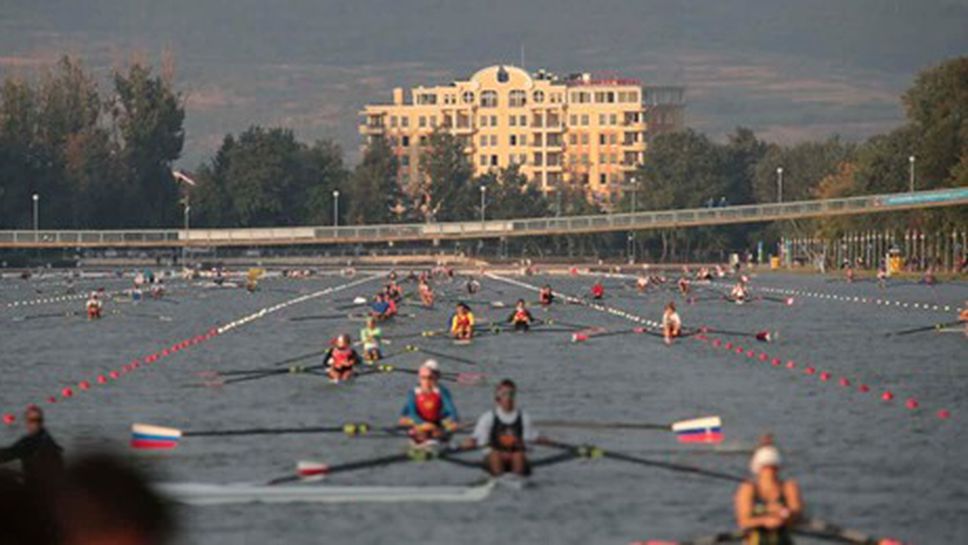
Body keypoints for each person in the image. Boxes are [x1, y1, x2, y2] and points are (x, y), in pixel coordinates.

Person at [463, 379, 549, 477]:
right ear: (498, 398)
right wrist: (469, 442)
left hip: (516, 456)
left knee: (518, 455)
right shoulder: (488, 417)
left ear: (515, 397)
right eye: (504, 394)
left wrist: (543, 440)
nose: (508, 398)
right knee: (495, 454)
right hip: (495, 456)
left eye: (511, 394)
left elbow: (531, 442)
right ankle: (499, 480)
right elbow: (475, 438)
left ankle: (518, 480)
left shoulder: (524, 417)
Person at [734, 436, 803, 545]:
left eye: (772, 468)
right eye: (766, 468)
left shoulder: (789, 487)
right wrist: (765, 520)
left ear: (778, 468)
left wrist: (785, 514)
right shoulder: (748, 489)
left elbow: (797, 514)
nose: (769, 472)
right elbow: (743, 521)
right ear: (758, 469)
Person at [398, 360, 460, 445]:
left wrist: (453, 421)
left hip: (438, 422)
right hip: (420, 422)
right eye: (423, 378)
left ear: (436, 378)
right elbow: (412, 412)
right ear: (419, 378)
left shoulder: (442, 392)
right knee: (406, 422)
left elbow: (452, 411)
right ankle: (423, 438)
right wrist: (423, 424)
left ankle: (435, 438)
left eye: (430, 378)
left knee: (449, 426)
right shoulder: (414, 392)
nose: (426, 382)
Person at [0, 406, 63, 488]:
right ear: (27, 422)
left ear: (42, 421)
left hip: (38, 490)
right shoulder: (47, 438)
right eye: (32, 421)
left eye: (38, 420)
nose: (35, 423)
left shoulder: (32, 442)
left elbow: (8, 454)